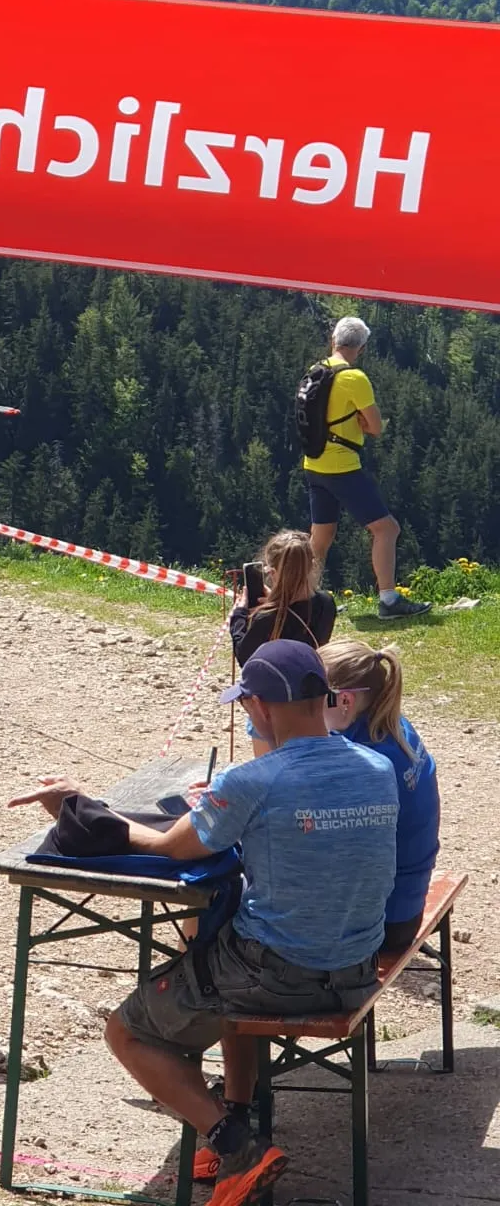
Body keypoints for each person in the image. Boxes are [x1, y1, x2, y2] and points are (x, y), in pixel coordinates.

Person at [10, 640, 398, 1206]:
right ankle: (235, 1109)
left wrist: (80, 805)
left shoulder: (254, 780)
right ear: (324, 697)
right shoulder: (377, 768)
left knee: (129, 1030)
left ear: (259, 707)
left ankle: (237, 1146)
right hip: (356, 968)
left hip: (277, 973)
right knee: (220, 957)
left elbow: (169, 846)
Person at [302, 315, 429, 618]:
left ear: (333, 340)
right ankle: (389, 600)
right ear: (361, 348)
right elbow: (375, 427)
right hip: (342, 466)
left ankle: (304, 598)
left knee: (321, 536)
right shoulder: (354, 378)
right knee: (387, 529)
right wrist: (361, 422)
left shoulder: (315, 371)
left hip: (313, 463)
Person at [322, 640, 440, 955]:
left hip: (384, 923)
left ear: (344, 700)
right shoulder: (392, 724)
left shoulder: (364, 761)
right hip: (406, 902)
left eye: (312, 696)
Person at [230, 529, 336, 759]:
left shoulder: (268, 618)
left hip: (273, 703)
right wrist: (276, 603)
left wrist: (238, 616)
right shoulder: (327, 604)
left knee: (271, 767)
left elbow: (245, 657)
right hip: (311, 699)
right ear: (311, 566)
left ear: (273, 572)